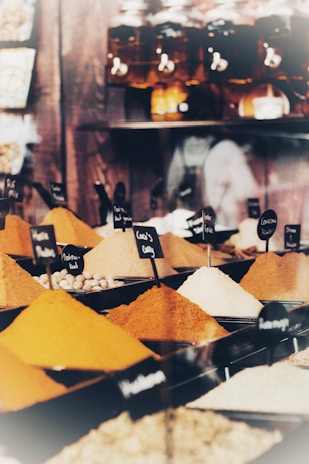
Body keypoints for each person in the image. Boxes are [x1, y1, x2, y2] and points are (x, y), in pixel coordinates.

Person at [166, 133, 258, 226]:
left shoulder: (181, 147)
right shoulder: (228, 148)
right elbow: (248, 191)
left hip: (188, 225)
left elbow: (171, 188)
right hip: (222, 225)